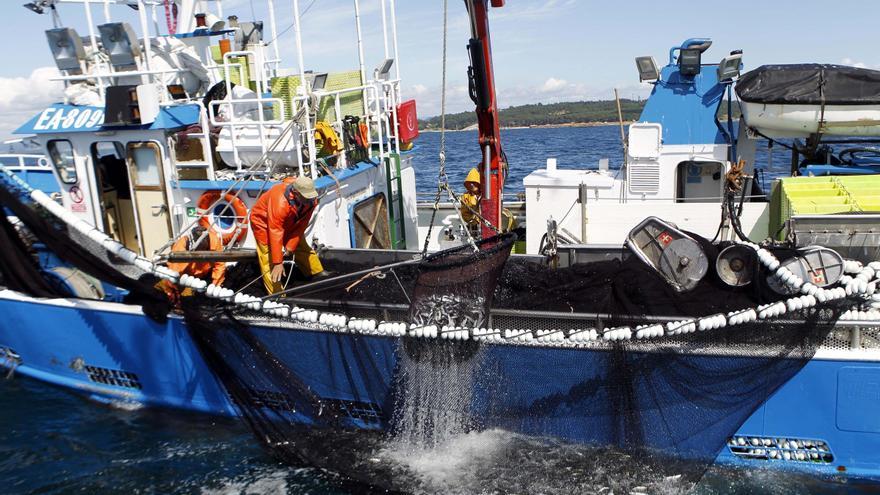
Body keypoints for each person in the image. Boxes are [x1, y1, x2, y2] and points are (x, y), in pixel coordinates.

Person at [250, 175, 325, 295]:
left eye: (311, 197)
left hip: (290, 221)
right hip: (263, 223)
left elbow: (302, 224)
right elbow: (275, 231)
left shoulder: (311, 201)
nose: (309, 201)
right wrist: (278, 263)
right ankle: (277, 294)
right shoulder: (280, 201)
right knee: (268, 257)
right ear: (295, 193)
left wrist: (290, 246)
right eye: (306, 198)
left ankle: (316, 273)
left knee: (301, 245)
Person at [161, 226, 226, 305]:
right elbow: (175, 273)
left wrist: (214, 286)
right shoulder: (181, 247)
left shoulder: (214, 241)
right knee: (181, 297)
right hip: (185, 278)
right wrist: (177, 292)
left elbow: (220, 265)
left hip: (204, 276)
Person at [460, 168, 482, 232]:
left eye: (474, 182)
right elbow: (465, 214)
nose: (472, 185)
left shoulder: (486, 194)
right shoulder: (465, 197)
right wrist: (475, 220)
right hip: (473, 226)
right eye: (469, 183)